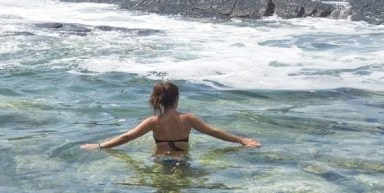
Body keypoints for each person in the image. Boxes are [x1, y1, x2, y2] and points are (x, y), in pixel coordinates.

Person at [81, 81, 260, 153]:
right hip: (183, 159)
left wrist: (98, 146)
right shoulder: (188, 119)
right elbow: (213, 132)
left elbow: (127, 137)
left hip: (160, 159)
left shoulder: (153, 122)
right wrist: (241, 140)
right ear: (176, 100)